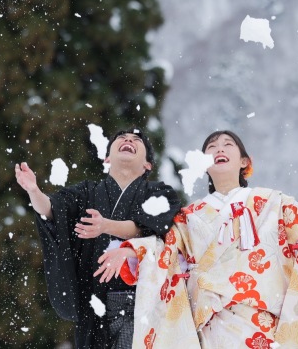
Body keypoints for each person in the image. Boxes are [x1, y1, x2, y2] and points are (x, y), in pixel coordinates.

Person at [95, 130, 298, 348]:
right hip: (211, 330)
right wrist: (134, 253)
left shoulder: (273, 203)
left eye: (227, 145)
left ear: (244, 162)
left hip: (262, 327)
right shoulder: (189, 217)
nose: (218, 149)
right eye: (211, 147)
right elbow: (165, 251)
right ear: (204, 164)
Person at [15, 128, 181, 349]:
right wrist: (34, 190)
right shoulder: (87, 192)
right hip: (93, 305)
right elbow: (52, 212)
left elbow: (152, 230)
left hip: (143, 304)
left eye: (136, 140)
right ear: (107, 158)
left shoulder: (160, 194)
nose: (128, 140)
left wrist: (105, 226)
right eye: (121, 138)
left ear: (147, 165)